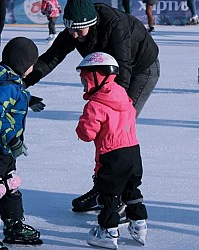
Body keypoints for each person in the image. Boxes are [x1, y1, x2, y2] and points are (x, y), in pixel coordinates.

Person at [23, 0, 159, 213]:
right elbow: (51, 58)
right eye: (70, 30)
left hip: (141, 69)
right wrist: (22, 83)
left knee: (118, 132)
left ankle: (121, 199)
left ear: (92, 23)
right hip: (112, 75)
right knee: (104, 136)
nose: (75, 36)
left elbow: (123, 70)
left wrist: (105, 102)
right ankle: (103, 189)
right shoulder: (75, 29)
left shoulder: (115, 26)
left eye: (79, 31)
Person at [0, 37, 43, 250]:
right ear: (23, 64)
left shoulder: (10, 82)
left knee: (11, 182)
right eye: (31, 65)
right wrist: (12, 139)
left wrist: (29, 100)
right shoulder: (5, 85)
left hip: (4, 148)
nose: (32, 69)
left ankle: (13, 225)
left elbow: (13, 95)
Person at [75, 52, 148, 249]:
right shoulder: (123, 95)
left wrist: (81, 124)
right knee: (131, 189)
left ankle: (107, 232)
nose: (84, 84)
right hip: (133, 153)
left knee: (110, 196)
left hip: (112, 155)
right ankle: (139, 224)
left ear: (97, 76)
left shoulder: (95, 104)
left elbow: (87, 134)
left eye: (85, 80)